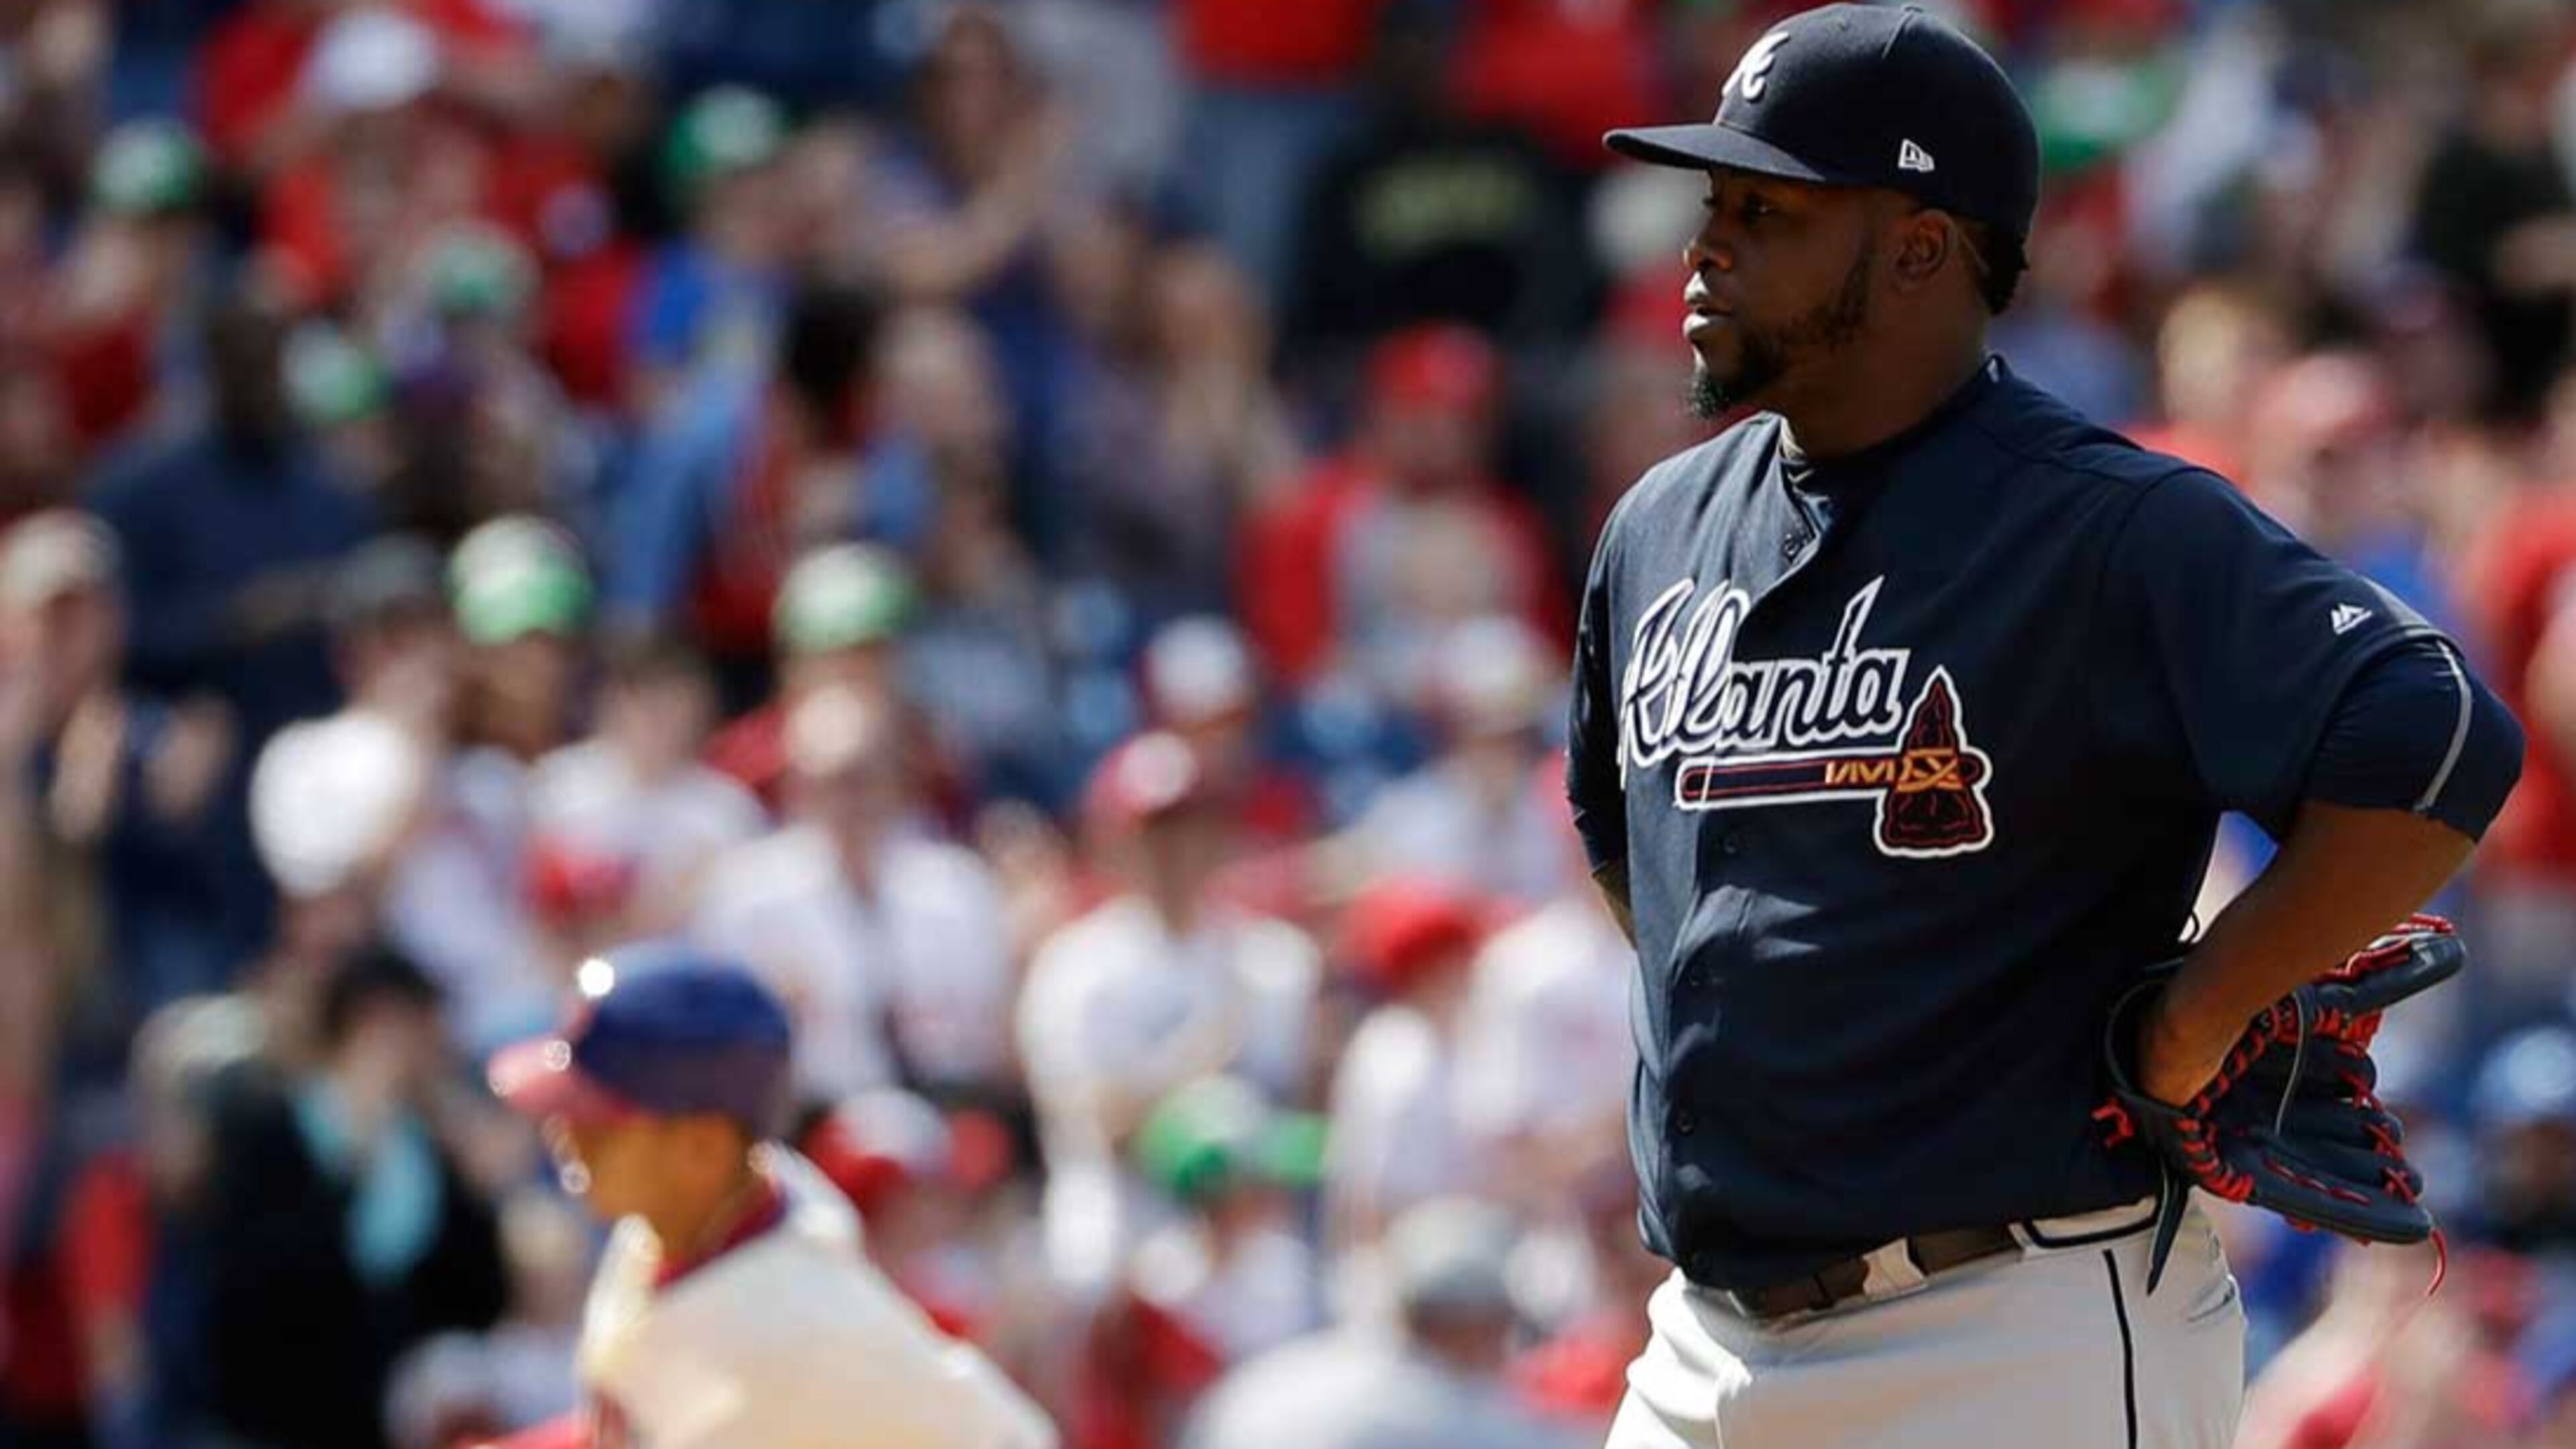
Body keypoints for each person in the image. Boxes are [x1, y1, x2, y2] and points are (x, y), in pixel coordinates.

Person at [1570, 7, 2526, 1446]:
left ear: (1918, 249)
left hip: (2013, 1335)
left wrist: (2200, 1016)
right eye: (1715, 206)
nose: (1706, 248)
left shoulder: (2104, 525)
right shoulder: (1661, 527)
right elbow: (1620, 838)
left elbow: (2438, 738)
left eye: (1766, 212)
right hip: (1703, 1343)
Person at [486, 941, 1057, 1448]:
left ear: (703, 1147)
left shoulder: (795, 1337)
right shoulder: (693, 1213)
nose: (563, 1132)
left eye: (598, 1120)